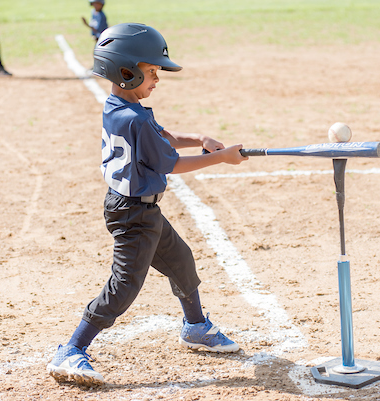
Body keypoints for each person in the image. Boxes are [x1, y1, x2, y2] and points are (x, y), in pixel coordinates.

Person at [46, 23, 248, 385]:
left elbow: (164, 138)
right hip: (133, 214)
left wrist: (199, 138)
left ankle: (196, 326)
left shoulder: (122, 107)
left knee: (181, 261)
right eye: (152, 72)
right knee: (124, 285)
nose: (157, 78)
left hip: (140, 209)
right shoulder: (134, 118)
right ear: (126, 72)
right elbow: (171, 163)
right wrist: (222, 158)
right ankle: (72, 349)